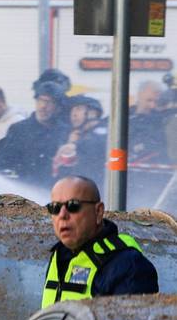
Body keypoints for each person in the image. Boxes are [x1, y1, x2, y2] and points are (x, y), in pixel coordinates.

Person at [42, 175, 158, 306]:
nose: (62, 215)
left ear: (98, 211)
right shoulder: (59, 256)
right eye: (55, 208)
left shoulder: (128, 265)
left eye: (73, 205)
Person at [0, 71, 71, 186]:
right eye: (40, 100)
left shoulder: (66, 132)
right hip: (26, 195)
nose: (43, 106)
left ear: (59, 107)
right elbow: (4, 164)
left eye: (49, 102)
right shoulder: (18, 130)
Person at [51, 95, 107, 190]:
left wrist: (75, 144)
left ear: (93, 113)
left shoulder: (103, 132)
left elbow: (96, 146)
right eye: (72, 110)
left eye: (78, 109)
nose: (73, 114)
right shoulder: (72, 135)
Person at [129, 81, 169, 167]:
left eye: (157, 102)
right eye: (149, 100)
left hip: (155, 171)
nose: (152, 105)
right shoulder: (121, 117)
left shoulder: (164, 122)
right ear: (139, 96)